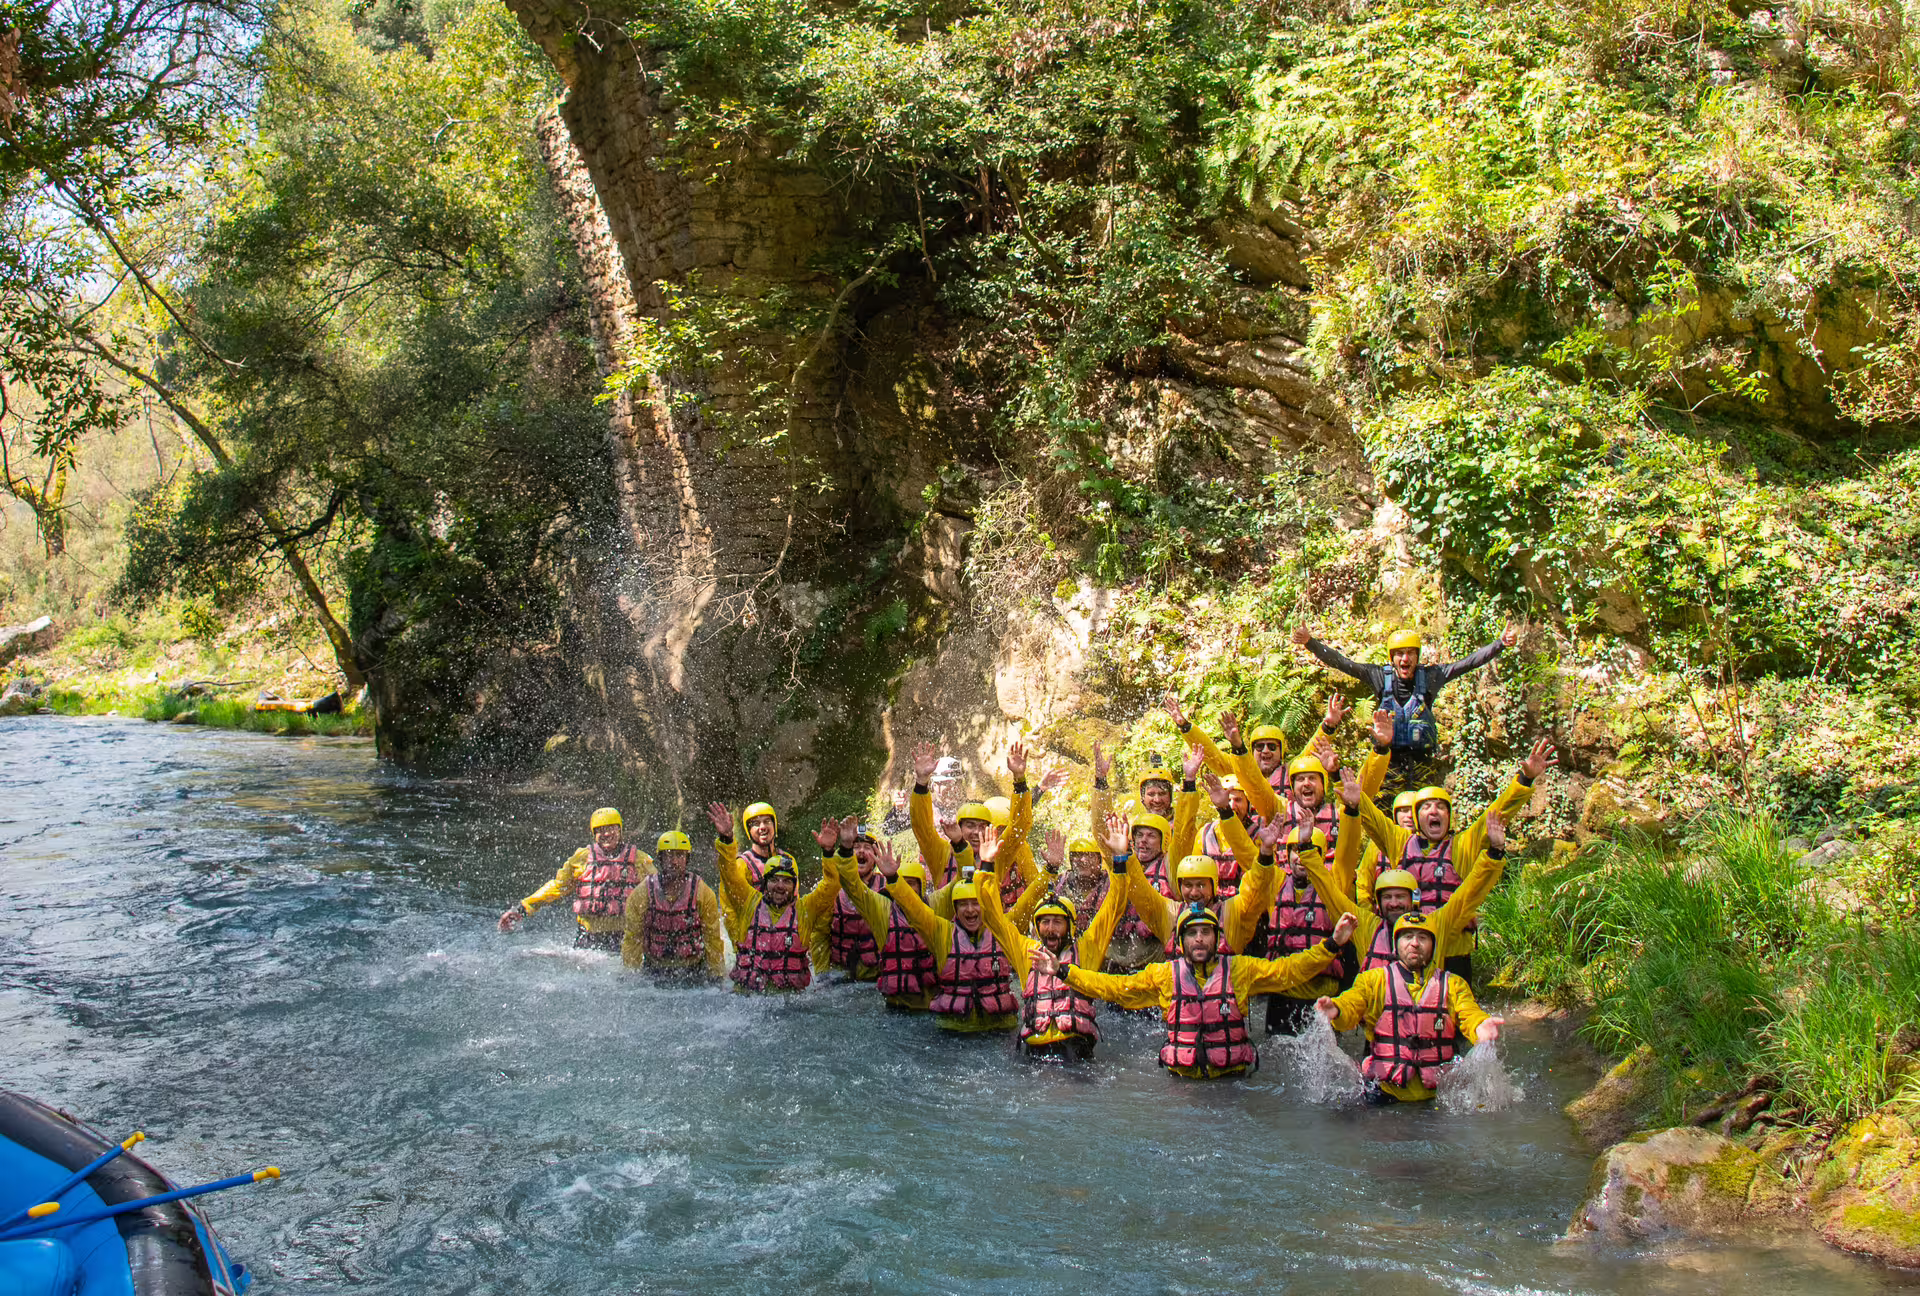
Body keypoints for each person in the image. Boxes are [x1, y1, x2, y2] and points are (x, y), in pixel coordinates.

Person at [1033, 903, 1359, 1080]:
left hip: (1233, 1081)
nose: (1199, 939)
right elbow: (1115, 988)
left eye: (1206, 933)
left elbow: (1290, 971)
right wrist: (1063, 970)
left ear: (1217, 939)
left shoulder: (1242, 970)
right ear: (1180, 941)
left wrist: (1332, 944)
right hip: (1182, 1081)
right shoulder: (1163, 976)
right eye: (1193, 934)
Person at [1350, 736, 1557, 981]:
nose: (1434, 811)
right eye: (1426, 807)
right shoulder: (1399, 843)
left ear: (1449, 816)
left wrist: (1525, 779)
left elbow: (1498, 811)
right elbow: (1373, 821)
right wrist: (1357, 800)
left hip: (1454, 952)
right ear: (1417, 818)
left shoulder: (1461, 846)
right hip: (1414, 949)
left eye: (1441, 807)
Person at [1291, 623, 1518, 790]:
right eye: (1399, 653)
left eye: (1410, 653)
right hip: (1386, 765)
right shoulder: (1378, 676)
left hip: (1423, 763)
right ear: (1392, 658)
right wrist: (1310, 642)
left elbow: (1466, 664)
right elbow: (1343, 663)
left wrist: (1500, 644)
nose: (1405, 659)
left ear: (1417, 657)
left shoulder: (1431, 677)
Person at [1316, 911, 1504, 1105]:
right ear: (1396, 945)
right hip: (1383, 1093)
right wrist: (1336, 1008)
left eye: (1422, 938)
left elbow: (1469, 1013)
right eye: (1407, 937)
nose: (1414, 943)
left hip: (1437, 1097)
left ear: (1433, 946)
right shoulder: (1372, 980)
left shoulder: (1454, 984)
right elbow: (1352, 1002)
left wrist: (1480, 1025)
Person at [977, 829, 1131, 1060]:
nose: (1050, 928)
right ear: (1037, 927)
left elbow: (1114, 907)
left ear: (1069, 926)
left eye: (1057, 922)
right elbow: (992, 917)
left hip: (1075, 1052)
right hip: (1033, 1053)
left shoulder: (1087, 948)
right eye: (1045, 922)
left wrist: (1120, 859)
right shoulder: (1025, 950)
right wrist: (986, 866)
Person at [1124, 772, 1280, 956]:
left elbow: (1258, 883)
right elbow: (1142, 893)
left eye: (1238, 800)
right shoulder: (1172, 911)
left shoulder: (1261, 835)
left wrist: (1266, 851)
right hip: (1194, 916)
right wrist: (1123, 854)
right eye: (1140, 836)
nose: (1194, 892)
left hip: (1236, 915)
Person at [889, 839, 1024, 1034]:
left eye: (975, 903)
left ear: (984, 906)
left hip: (1000, 1028)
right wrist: (893, 879)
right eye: (963, 904)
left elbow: (1028, 902)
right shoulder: (941, 932)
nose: (970, 910)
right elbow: (915, 909)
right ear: (955, 909)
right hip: (953, 1030)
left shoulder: (1004, 930)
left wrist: (1050, 869)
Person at [709, 804, 840, 994]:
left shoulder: (803, 909)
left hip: (788, 992)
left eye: (786, 881)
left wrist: (829, 852)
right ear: (764, 883)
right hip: (751, 978)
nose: (780, 886)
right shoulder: (749, 900)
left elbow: (830, 887)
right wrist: (727, 839)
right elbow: (729, 877)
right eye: (774, 880)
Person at [498, 808, 655, 952]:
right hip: (588, 936)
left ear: (620, 830)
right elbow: (557, 887)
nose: (606, 834)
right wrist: (522, 908)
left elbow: (658, 890)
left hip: (625, 936)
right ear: (594, 835)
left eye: (611, 828)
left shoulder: (639, 860)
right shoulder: (582, 858)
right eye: (600, 830)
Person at [1248, 827, 1346, 1036]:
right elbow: (1252, 863)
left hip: (1322, 994)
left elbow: (1348, 850)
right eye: (1294, 851)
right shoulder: (1277, 883)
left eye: (1308, 852)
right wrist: (1265, 848)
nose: (1300, 858)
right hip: (1283, 991)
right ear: (1287, 855)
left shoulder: (1335, 886)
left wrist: (1353, 810)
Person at [833, 839, 940, 1011]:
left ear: (922, 887)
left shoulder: (936, 906)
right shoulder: (884, 911)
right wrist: (845, 850)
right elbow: (853, 888)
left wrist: (961, 846)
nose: (904, 889)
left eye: (911, 884)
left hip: (931, 1007)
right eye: (901, 883)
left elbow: (960, 888)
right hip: (893, 1007)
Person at [621, 831, 726, 980]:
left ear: (687, 859)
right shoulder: (642, 893)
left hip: (693, 969)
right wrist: (631, 974)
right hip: (655, 969)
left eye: (679, 855)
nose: (674, 861)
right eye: (669, 855)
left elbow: (712, 939)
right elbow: (633, 937)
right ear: (661, 858)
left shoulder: (703, 892)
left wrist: (717, 975)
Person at [824, 823, 885, 982]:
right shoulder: (831, 888)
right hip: (840, 976)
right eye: (856, 846)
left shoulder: (889, 888)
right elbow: (819, 935)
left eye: (867, 847)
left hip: (878, 975)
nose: (861, 851)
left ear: (876, 856)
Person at [733, 801, 799, 888]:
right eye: (756, 823)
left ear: (774, 826)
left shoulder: (788, 860)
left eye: (767, 821)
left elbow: (795, 898)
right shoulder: (743, 865)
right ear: (749, 830)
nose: (762, 827)